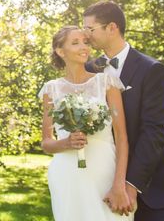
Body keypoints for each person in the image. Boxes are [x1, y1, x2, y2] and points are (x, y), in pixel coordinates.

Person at [83, 1, 164, 221]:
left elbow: (154, 132)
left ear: (112, 28)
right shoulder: (89, 70)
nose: (86, 35)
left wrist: (130, 185)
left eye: (90, 29)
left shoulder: (151, 69)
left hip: (150, 188)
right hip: (101, 185)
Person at [39, 25, 134, 221]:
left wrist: (119, 183)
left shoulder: (107, 83)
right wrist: (65, 143)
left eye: (85, 42)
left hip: (105, 171)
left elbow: (122, 138)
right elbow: (46, 142)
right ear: (60, 51)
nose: (84, 47)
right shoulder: (51, 90)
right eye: (75, 43)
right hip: (67, 175)